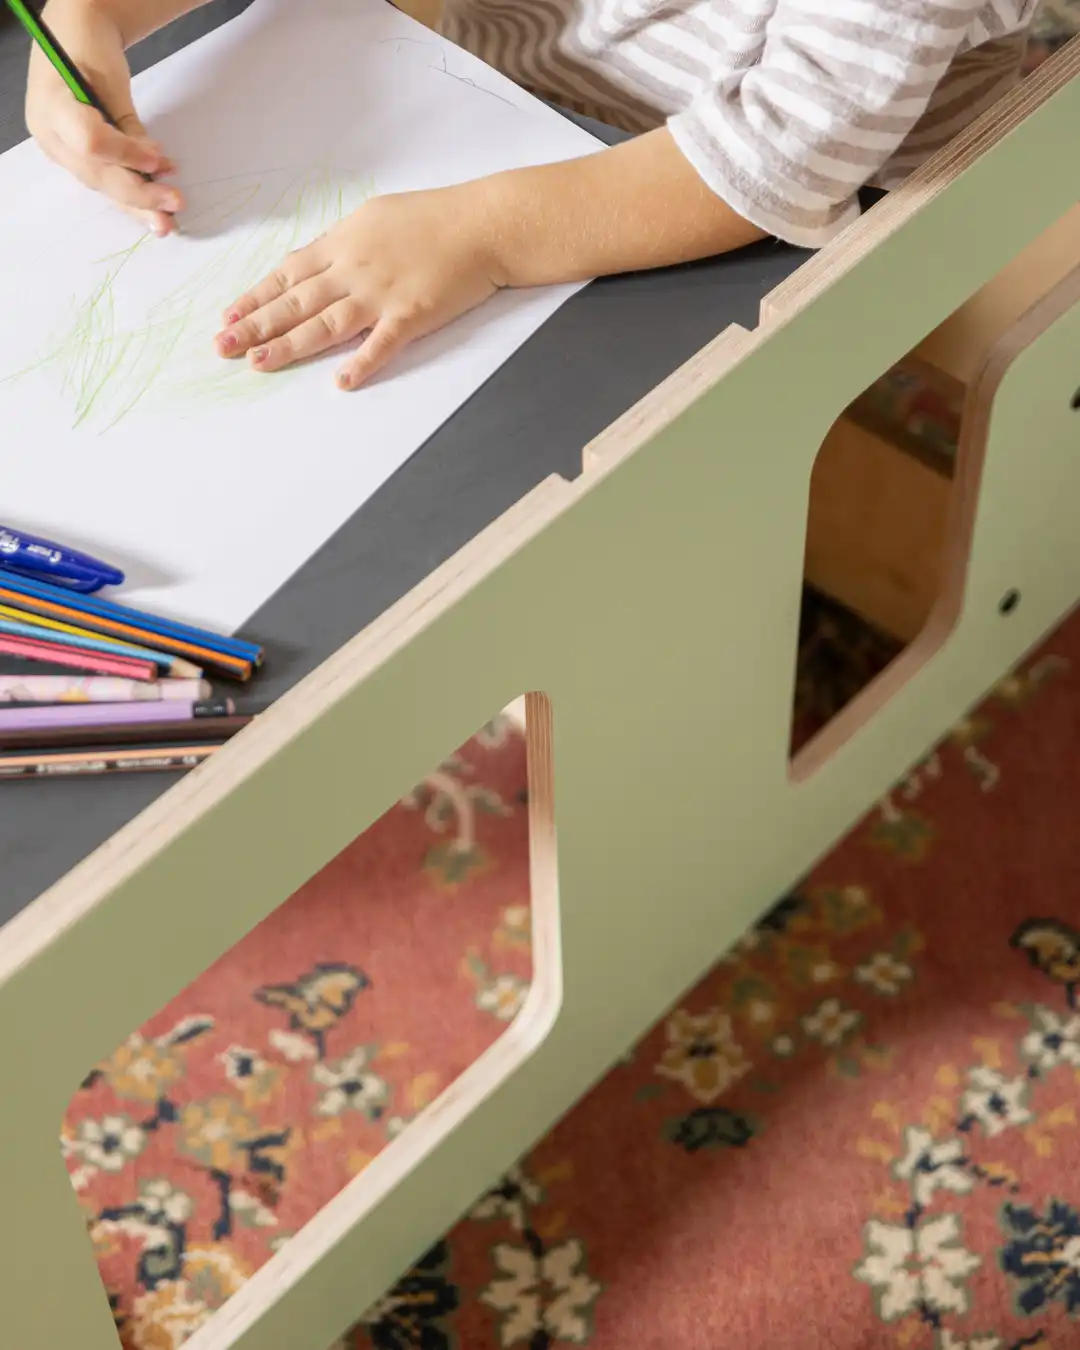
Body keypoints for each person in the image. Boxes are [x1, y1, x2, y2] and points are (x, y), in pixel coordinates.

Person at [25, 0, 1036, 389]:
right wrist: (93, 14)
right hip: (496, 94)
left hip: (741, 209)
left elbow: (775, 160)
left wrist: (483, 234)